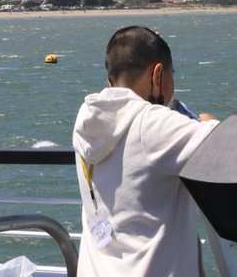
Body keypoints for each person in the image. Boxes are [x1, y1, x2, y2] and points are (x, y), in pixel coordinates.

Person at [73, 25, 218, 277]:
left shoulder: (85, 123)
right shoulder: (152, 123)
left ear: (110, 82)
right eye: (173, 75)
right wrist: (207, 121)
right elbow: (229, 148)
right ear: (158, 74)